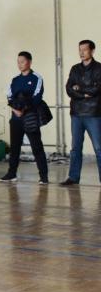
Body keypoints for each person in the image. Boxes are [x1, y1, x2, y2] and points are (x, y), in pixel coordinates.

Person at [0, 52, 48, 184]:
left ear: (29, 62)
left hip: (30, 117)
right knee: (14, 148)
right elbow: (9, 97)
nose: (20, 64)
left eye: (22, 61)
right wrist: (15, 110)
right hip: (16, 118)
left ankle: (43, 176)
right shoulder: (15, 80)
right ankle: (11, 173)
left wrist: (24, 109)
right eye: (18, 62)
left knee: (36, 147)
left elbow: (37, 97)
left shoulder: (37, 78)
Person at [62, 39, 101, 186]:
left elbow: (97, 89)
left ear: (92, 50)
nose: (82, 52)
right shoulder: (75, 69)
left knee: (99, 148)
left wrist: (79, 89)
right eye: (80, 49)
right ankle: (73, 177)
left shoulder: (99, 68)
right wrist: (84, 93)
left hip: (94, 113)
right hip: (76, 113)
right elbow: (69, 88)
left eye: (84, 49)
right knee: (75, 148)